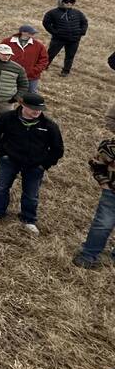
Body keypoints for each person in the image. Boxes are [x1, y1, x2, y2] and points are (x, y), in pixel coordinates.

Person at [0, 92, 63, 234]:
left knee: (31, 194)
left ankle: (28, 219)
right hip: (10, 160)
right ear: (22, 105)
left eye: (40, 109)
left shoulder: (49, 126)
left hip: (35, 166)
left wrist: (44, 164)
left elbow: (58, 149)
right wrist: (3, 152)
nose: (37, 111)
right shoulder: (7, 118)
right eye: (33, 108)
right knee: (1, 187)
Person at [73, 102, 115, 268]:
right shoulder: (111, 145)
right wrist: (104, 183)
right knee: (102, 225)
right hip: (112, 192)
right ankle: (89, 255)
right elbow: (97, 164)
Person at [42, 0, 88, 76]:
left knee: (70, 56)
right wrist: (55, 32)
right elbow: (46, 23)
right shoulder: (52, 13)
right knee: (51, 53)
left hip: (74, 39)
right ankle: (44, 66)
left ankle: (65, 71)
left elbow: (84, 22)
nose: (69, 3)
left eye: (71, 2)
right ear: (61, 2)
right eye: (66, 1)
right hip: (58, 39)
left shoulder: (77, 13)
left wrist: (81, 32)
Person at [4, 25, 48, 93]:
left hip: (31, 77)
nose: (34, 34)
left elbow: (44, 60)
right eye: (31, 33)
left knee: (31, 95)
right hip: (10, 74)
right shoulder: (7, 42)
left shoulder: (39, 45)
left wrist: (34, 71)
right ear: (23, 32)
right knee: (7, 93)